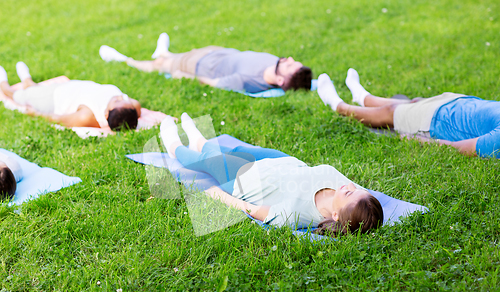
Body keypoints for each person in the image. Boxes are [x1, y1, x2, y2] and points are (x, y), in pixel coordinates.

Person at [159, 113, 383, 236]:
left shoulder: (297, 215)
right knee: (233, 150)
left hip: (245, 181)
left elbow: (254, 211)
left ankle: (175, 146)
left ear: (335, 215)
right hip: (280, 161)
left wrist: (220, 196)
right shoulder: (350, 195)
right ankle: (201, 140)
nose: (348, 187)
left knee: (207, 160)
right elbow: (362, 200)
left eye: (348, 194)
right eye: (355, 189)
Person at [317, 68, 500, 158]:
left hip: (437, 122)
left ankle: (338, 105)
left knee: (391, 112)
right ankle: (364, 97)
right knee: (413, 103)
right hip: (456, 103)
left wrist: (419, 141)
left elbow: (458, 148)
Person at [99, 32, 313, 93]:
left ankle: (124, 60)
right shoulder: (275, 65)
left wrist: (187, 77)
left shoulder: (247, 81)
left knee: (159, 66)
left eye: (289, 65)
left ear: (279, 78)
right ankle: (164, 52)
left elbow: (213, 84)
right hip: (216, 53)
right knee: (171, 57)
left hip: (199, 66)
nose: (289, 59)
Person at [0, 62, 141, 131]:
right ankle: (27, 81)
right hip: (70, 87)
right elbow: (134, 107)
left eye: (117, 100)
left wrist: (35, 114)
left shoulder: (87, 116)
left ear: (106, 114)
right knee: (34, 89)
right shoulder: (130, 107)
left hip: (53, 98)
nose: (122, 97)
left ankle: (4, 84)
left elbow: (59, 119)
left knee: (16, 95)